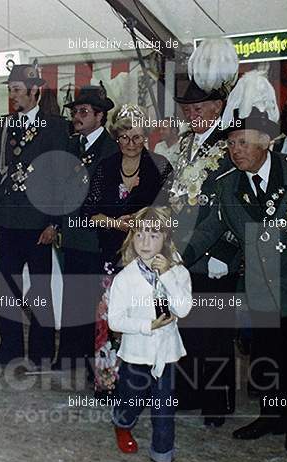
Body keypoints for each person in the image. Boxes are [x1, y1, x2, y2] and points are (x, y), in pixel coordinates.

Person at [183, 70, 287, 451]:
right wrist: (180, 258)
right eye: (231, 144)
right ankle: (270, 416)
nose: (235, 150)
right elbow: (211, 228)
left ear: (265, 143)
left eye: (243, 143)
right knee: (268, 359)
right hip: (261, 284)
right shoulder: (229, 183)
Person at [0, 64, 69, 370]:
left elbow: (63, 177)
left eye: (18, 89)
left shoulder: (56, 126)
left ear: (36, 90)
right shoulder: (4, 126)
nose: (13, 95)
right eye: (11, 89)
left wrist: (54, 222)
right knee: (7, 287)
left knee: (41, 290)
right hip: (7, 220)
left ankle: (42, 352)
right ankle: (9, 348)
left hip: (39, 223)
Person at [82, 104, 172, 395]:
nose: (130, 144)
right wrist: (115, 223)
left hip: (147, 261)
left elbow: (171, 212)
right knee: (109, 321)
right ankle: (107, 383)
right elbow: (88, 212)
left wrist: (141, 220)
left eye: (137, 137)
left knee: (144, 322)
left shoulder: (160, 166)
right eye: (124, 137)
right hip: (110, 257)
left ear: (146, 136)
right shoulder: (105, 168)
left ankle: (141, 387)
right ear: (116, 137)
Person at [170, 79, 239, 426]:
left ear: (218, 107)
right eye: (187, 110)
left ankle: (217, 401)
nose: (192, 115)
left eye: (198, 108)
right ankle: (188, 391)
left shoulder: (231, 142)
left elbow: (239, 200)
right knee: (187, 326)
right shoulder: (184, 142)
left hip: (213, 252)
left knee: (216, 332)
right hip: (183, 249)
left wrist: (225, 249)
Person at [108, 206, 192, 462]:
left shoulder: (177, 272)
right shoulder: (125, 278)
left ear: (166, 239)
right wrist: (149, 325)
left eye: (154, 235)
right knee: (131, 400)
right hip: (136, 353)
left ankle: (162, 457)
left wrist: (167, 275)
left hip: (166, 353)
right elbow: (115, 321)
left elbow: (183, 308)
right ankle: (122, 424)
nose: (145, 242)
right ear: (132, 237)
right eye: (140, 235)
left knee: (164, 409)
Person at [53, 83, 118, 372]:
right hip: (73, 233)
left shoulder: (110, 149)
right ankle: (69, 355)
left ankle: (96, 360)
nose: (77, 116)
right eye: (75, 111)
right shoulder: (71, 144)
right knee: (72, 296)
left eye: (83, 111)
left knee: (96, 300)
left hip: (96, 236)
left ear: (100, 116)